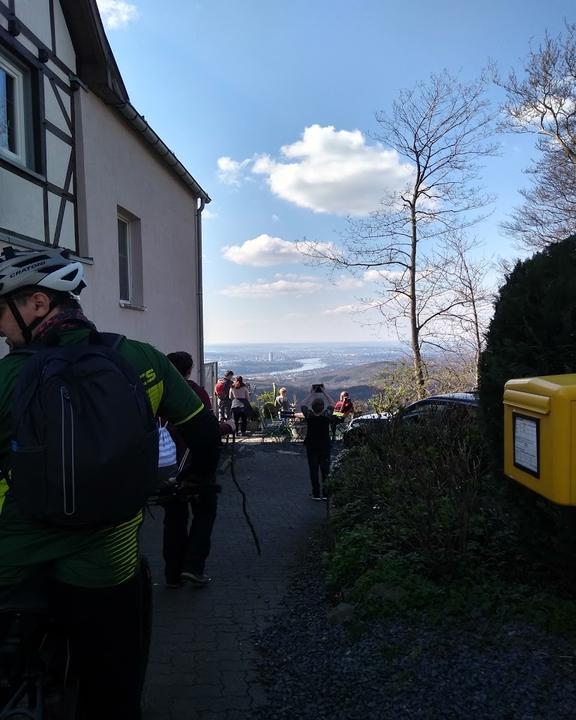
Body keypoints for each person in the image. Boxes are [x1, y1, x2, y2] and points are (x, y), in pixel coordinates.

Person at [0, 247, 221, 720]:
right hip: (105, 561)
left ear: (38, 303)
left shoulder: (6, 375)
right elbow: (204, 433)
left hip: (11, 557)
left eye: (1, 310)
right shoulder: (142, 359)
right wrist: (195, 479)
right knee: (115, 689)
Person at [163, 351, 217, 588]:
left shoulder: (158, 393)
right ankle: (193, 567)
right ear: (189, 369)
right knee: (204, 514)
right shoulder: (196, 392)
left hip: (167, 468)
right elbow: (206, 427)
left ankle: (173, 574)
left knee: (174, 519)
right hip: (197, 465)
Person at [301, 384, 335, 500]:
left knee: (313, 471)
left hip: (312, 446)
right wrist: (324, 392)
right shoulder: (326, 416)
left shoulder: (309, 416)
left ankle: (316, 493)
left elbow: (303, 405)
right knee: (325, 471)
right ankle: (326, 494)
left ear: (313, 407)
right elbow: (332, 404)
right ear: (322, 407)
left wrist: (311, 393)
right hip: (325, 446)